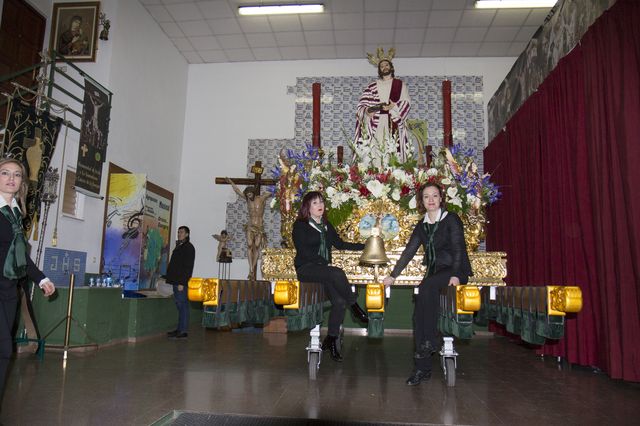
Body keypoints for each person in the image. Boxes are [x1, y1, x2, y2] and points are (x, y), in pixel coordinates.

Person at [383, 182, 472, 386]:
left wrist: (457, 275)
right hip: (435, 273)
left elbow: (459, 248)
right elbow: (409, 251)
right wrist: (393, 276)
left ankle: (430, 341)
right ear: (421, 201)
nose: (431, 200)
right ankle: (422, 368)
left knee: (425, 288)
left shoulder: (451, 219)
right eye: (426, 197)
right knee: (417, 316)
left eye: (434, 196)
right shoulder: (422, 225)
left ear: (441, 198)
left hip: (454, 271)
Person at [0, 158, 55, 400]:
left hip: (9, 290)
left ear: (22, 182)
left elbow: (20, 253)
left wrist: (42, 279)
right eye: (5, 173)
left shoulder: (15, 214)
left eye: (17, 174)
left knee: (3, 351)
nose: (11, 178)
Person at [292, 191, 368, 362]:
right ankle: (355, 306)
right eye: (315, 203)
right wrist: (323, 262)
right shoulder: (300, 225)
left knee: (339, 303)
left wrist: (366, 245)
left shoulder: (326, 225)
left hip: (323, 271)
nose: (320, 205)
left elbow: (340, 244)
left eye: (321, 202)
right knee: (337, 272)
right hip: (307, 269)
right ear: (307, 207)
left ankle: (331, 340)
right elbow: (303, 251)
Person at [355, 50, 411, 160]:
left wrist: (393, 106)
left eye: (386, 65)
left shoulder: (399, 84)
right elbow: (362, 105)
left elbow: (406, 102)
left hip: (393, 120)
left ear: (391, 67)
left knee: (393, 152)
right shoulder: (372, 86)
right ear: (379, 70)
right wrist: (367, 111)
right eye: (381, 66)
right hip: (376, 123)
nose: (384, 67)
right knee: (375, 152)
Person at [226, 178, 271, 281]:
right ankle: (250, 269)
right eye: (247, 195)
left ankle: (252, 269)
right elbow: (237, 191)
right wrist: (231, 182)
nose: (249, 196)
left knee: (256, 246)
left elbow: (271, 192)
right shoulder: (246, 199)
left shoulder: (261, 198)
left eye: (250, 194)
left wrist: (281, 182)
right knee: (250, 245)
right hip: (250, 226)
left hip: (259, 227)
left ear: (253, 193)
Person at [165, 226, 195, 339]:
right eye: (178, 232)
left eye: (181, 232)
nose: (179, 234)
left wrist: (182, 282)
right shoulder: (180, 246)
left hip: (180, 282)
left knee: (182, 306)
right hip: (176, 281)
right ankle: (180, 329)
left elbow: (188, 267)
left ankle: (183, 331)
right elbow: (175, 264)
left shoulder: (189, 247)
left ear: (187, 234)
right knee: (180, 305)